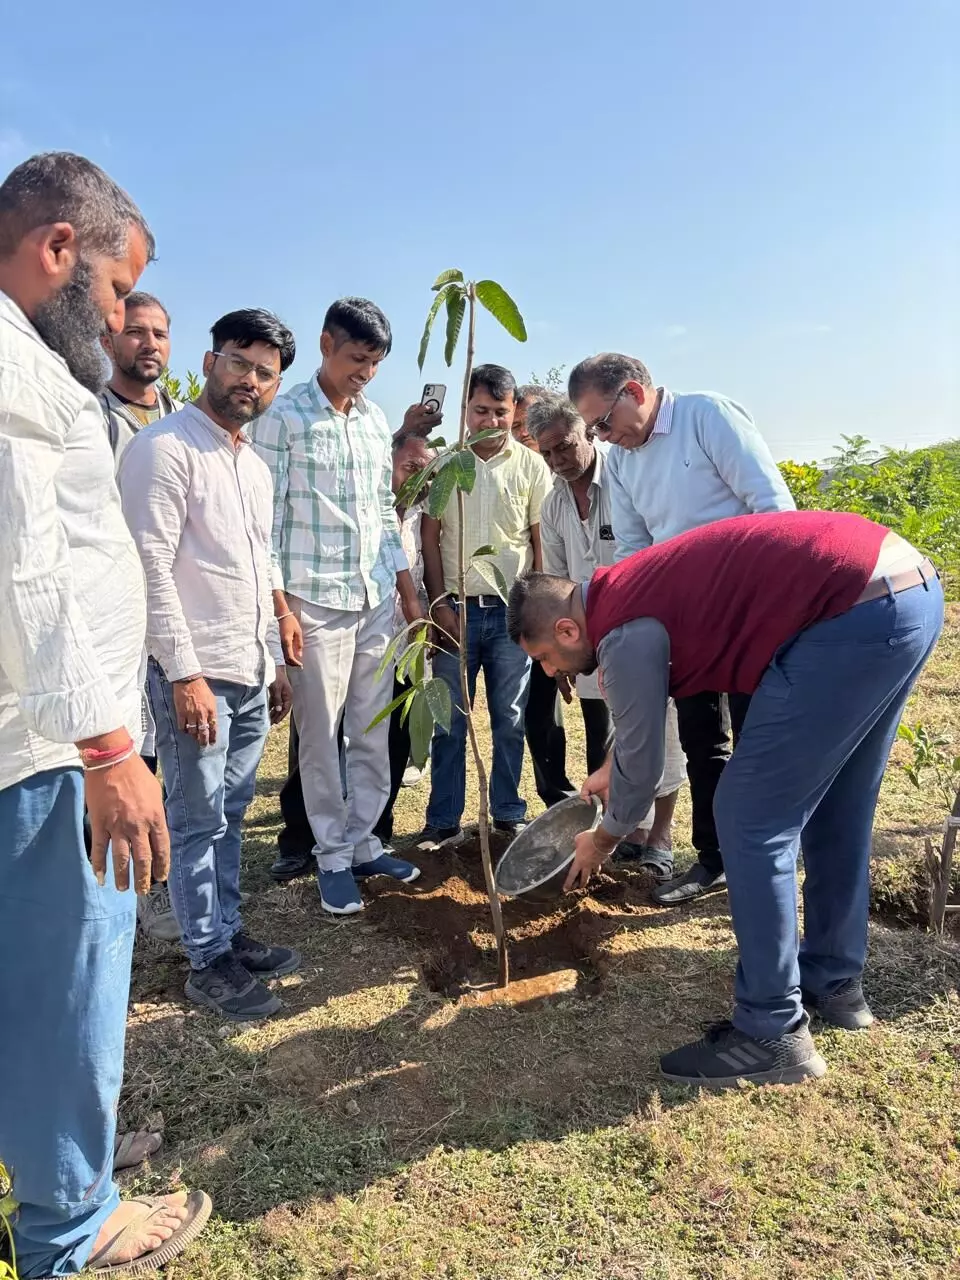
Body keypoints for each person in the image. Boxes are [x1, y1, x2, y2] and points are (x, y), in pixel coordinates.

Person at [507, 510, 943, 1087]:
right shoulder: (624, 594)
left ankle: (770, 1031)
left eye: (542, 657)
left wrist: (603, 838)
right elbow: (639, 737)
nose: (549, 669)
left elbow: (643, 772)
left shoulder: (621, 627)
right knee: (839, 805)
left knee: (747, 816)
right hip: (903, 591)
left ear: (565, 630)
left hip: (848, 614)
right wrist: (615, 766)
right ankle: (833, 982)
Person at [0, 151, 210, 1279]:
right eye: (122, 291)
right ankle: (70, 1231)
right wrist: (108, 745)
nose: (128, 318)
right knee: (64, 986)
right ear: (59, 251)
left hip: (35, 736)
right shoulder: (23, 378)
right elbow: (31, 572)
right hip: (44, 748)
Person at [119, 308, 301, 1021]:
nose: (250, 380)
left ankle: (225, 932)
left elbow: (259, 563)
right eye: (240, 362)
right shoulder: (165, 450)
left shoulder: (252, 464)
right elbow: (151, 570)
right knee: (195, 820)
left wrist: (275, 654)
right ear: (211, 360)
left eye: (266, 372)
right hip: (195, 671)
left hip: (248, 667)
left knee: (227, 810)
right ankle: (205, 960)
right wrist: (184, 673)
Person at [568, 353, 795, 906]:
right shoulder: (620, 460)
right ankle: (714, 859)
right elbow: (635, 551)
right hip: (685, 624)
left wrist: (757, 600)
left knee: (755, 737)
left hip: (750, 612)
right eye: (593, 429)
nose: (602, 437)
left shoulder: (706, 417)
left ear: (634, 393)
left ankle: (766, 858)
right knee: (701, 741)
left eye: (602, 422)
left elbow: (771, 508)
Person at [251, 297, 429, 914]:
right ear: (327, 344)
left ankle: (366, 841)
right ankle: (330, 853)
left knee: (373, 728)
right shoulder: (282, 418)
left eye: (376, 362)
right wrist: (281, 610)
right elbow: (266, 522)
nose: (366, 373)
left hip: (375, 595)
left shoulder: (376, 420)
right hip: (314, 599)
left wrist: (407, 592)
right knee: (320, 735)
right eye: (358, 358)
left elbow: (384, 509)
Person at [528, 396, 685, 877]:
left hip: (647, 626)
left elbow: (656, 548)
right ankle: (630, 829)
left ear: (587, 433)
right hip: (588, 635)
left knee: (664, 728)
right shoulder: (554, 503)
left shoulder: (622, 479)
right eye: (547, 453)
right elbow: (554, 579)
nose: (557, 461)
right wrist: (560, 654)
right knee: (622, 727)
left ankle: (660, 835)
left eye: (564, 447)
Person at [416, 364, 552, 848]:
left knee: (509, 720)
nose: (490, 421)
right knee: (450, 721)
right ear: (465, 410)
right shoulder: (446, 464)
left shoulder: (533, 467)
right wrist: (438, 604)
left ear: (514, 410)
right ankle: (443, 818)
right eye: (480, 411)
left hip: (511, 613)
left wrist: (534, 613)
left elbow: (539, 543)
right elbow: (430, 539)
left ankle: (507, 814)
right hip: (458, 610)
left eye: (500, 411)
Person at [100, 289, 182, 944]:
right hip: (114, 621)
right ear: (109, 339)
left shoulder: (182, 423)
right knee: (125, 761)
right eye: (135, 331)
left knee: (174, 765)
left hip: (173, 617)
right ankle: (118, 905)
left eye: (159, 333)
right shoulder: (92, 421)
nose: (148, 343)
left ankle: (162, 892)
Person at [373, 432, 435, 847]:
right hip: (364, 639)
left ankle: (380, 826)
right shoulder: (367, 509)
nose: (418, 480)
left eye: (428, 474)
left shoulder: (424, 517)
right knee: (334, 735)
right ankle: (301, 836)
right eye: (411, 468)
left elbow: (427, 574)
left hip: (406, 644)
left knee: (396, 737)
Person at [99, 290, 181, 457]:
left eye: (160, 335)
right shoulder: (90, 414)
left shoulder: (184, 418)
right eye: (135, 332)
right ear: (108, 344)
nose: (151, 345)